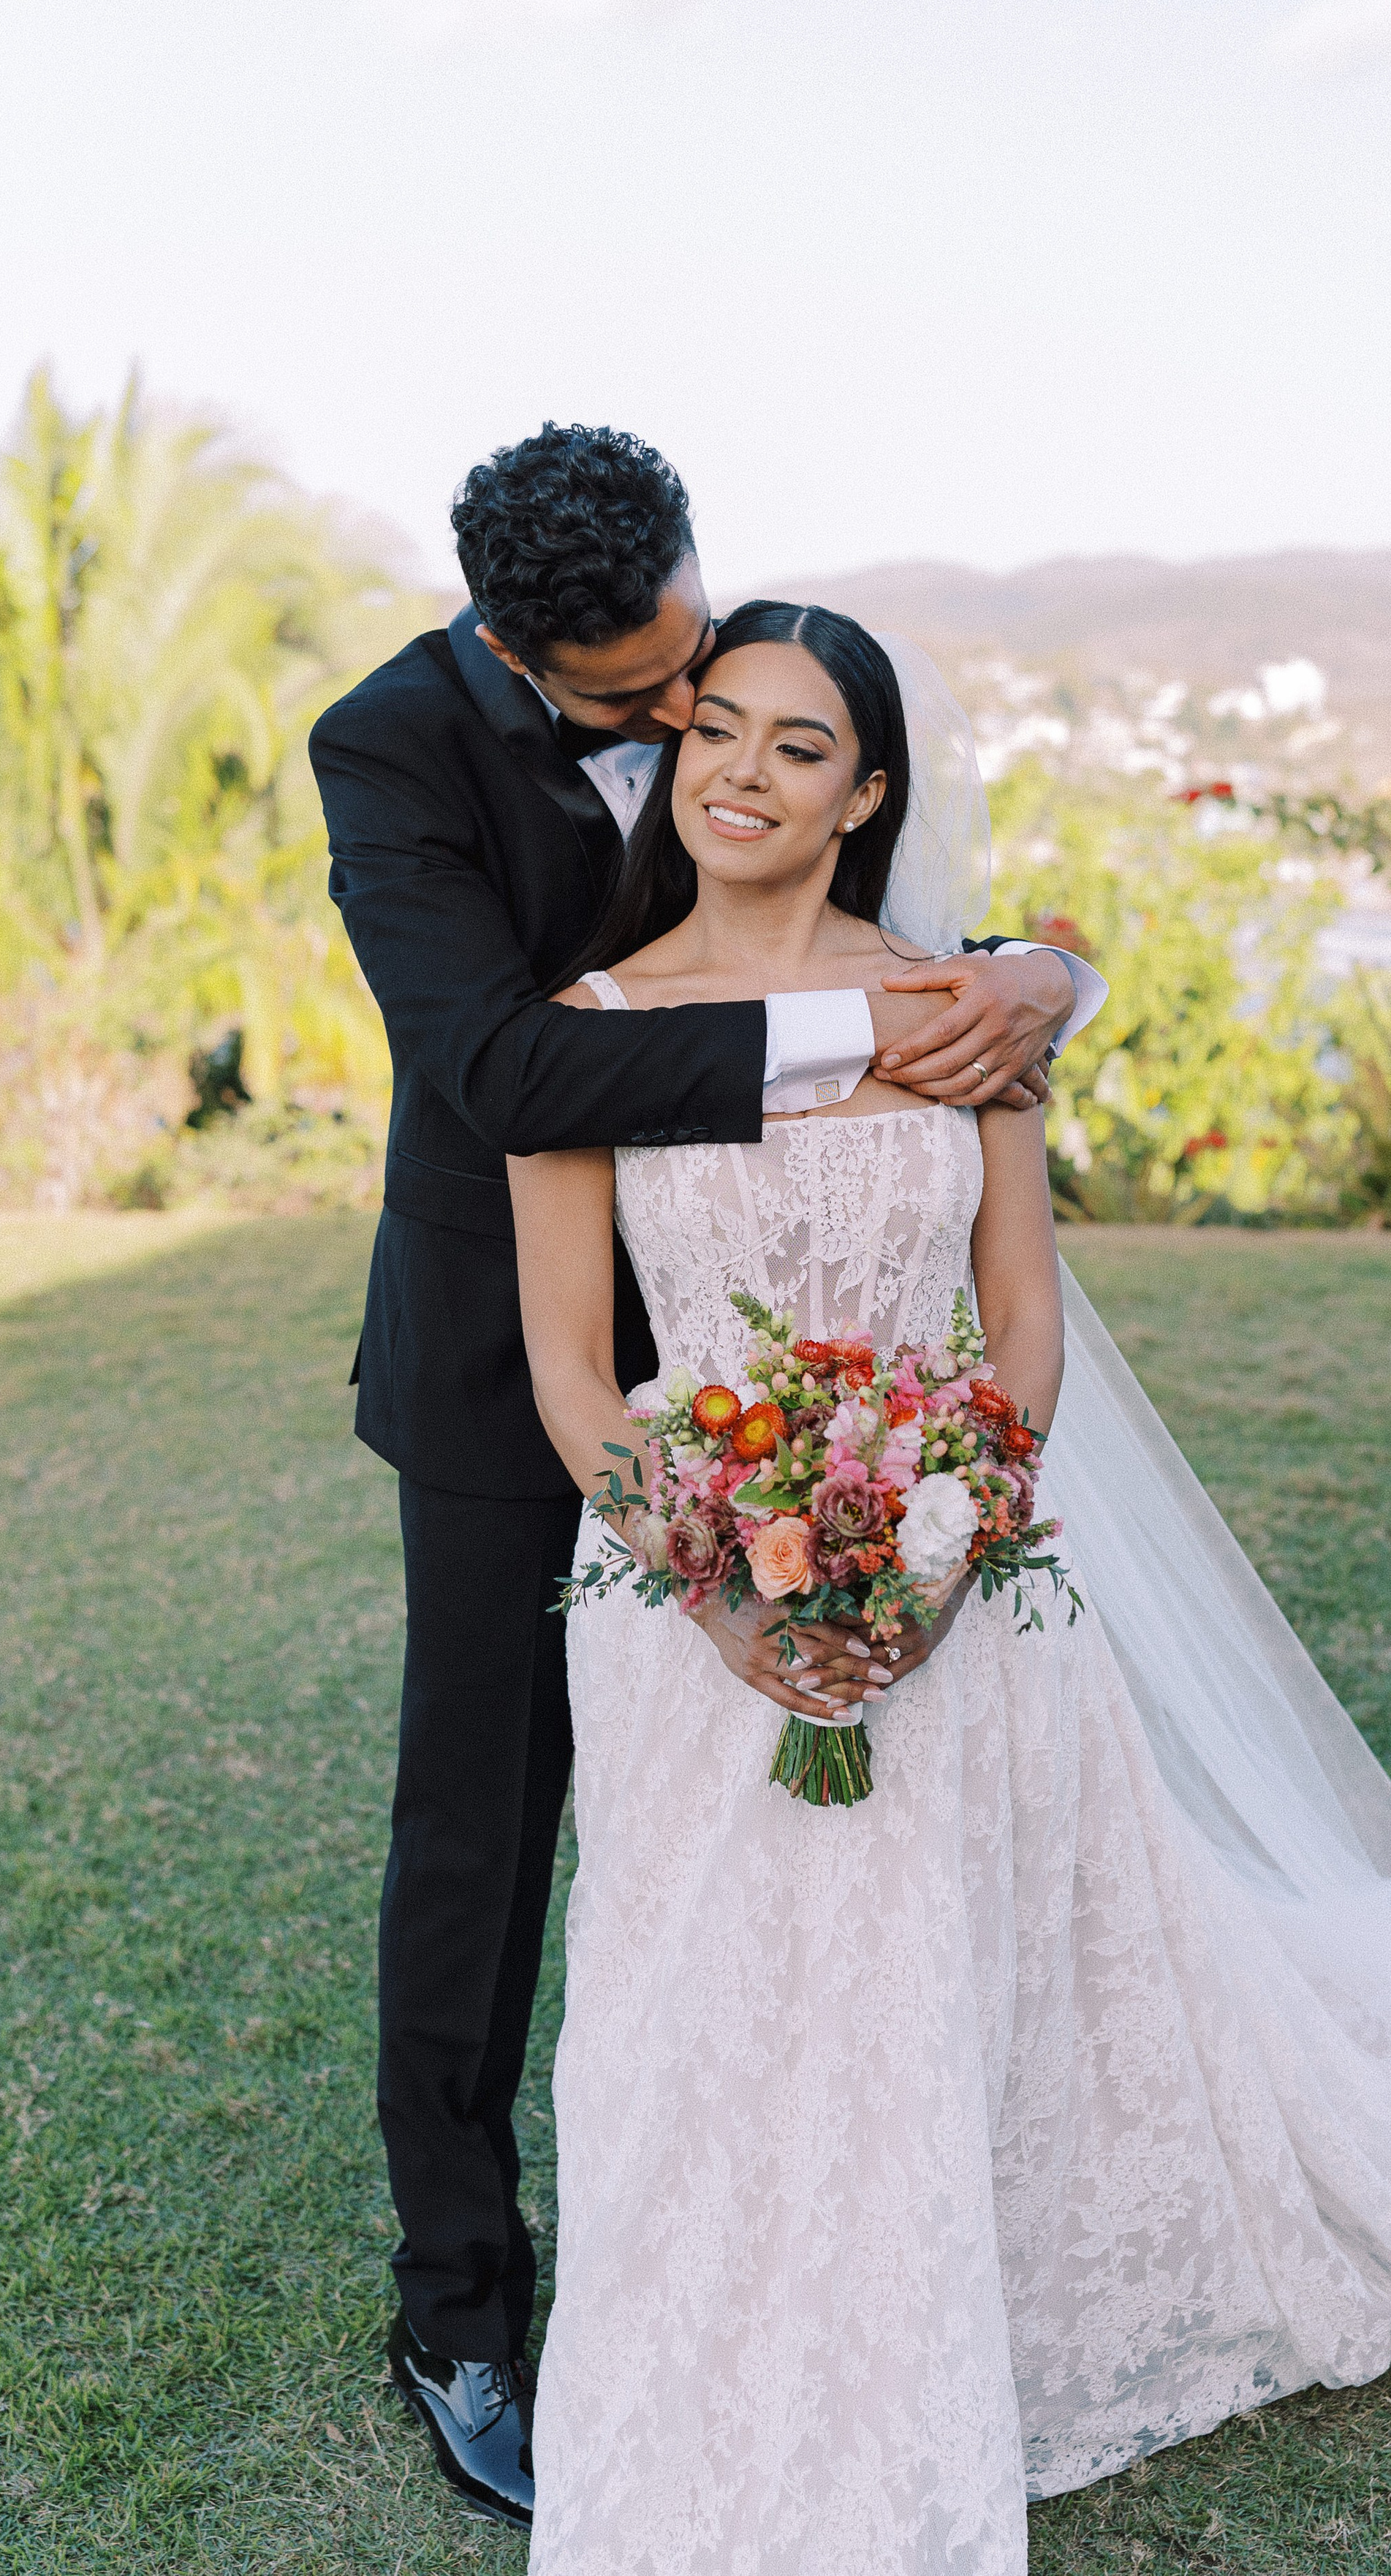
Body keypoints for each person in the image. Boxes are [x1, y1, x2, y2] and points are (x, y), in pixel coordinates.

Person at [507, 600, 1391, 2574]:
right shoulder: (589, 1032)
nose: (742, 771)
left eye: (800, 746)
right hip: (683, 1598)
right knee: (695, 1999)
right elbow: (569, 1368)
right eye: (716, 729)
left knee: (930, 1977)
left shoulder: (972, 1015)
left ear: (869, 793)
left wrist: (938, 1561)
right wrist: (720, 1589)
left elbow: (1020, 1330)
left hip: (954, 1577)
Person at [308, 425, 1103, 2528]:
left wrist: (1027, 978)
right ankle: (465, 2306)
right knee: (486, 1834)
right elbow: (498, 1068)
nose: (689, 730)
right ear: (513, 650)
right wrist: (863, 1042)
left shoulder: (721, 682)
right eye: (647, 701)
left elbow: (896, 874)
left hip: (828, 1318)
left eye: (704, 667)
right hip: (524, 1354)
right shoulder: (386, 752)